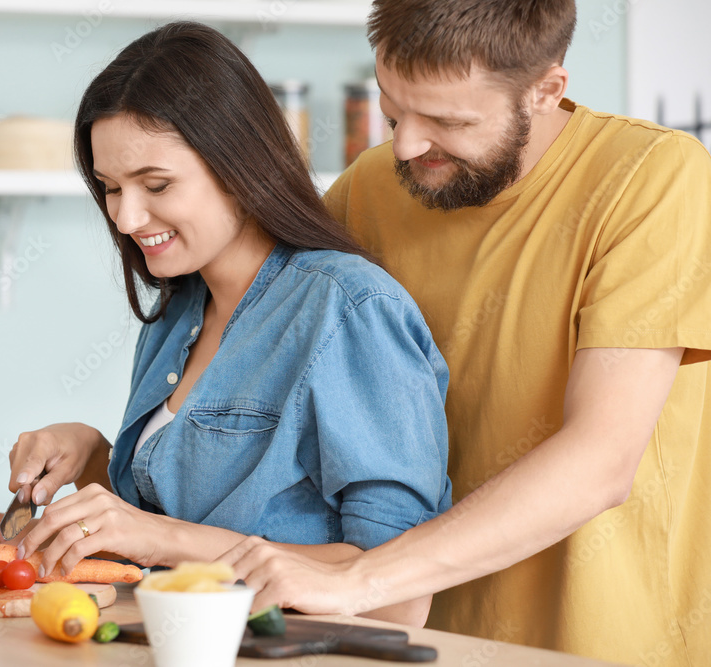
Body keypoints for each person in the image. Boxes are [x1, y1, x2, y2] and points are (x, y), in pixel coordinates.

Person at [221, 1, 711, 665]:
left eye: (447, 121)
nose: (405, 144)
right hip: (407, 637)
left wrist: (357, 579)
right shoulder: (370, 186)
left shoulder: (654, 178)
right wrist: (108, 457)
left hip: (598, 640)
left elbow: (601, 459)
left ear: (546, 90)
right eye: (393, 109)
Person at [0, 21, 452, 625]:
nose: (128, 217)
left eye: (156, 185)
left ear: (240, 166)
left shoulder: (350, 311)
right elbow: (154, 537)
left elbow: (397, 594)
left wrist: (159, 539)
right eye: (110, 187)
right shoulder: (178, 312)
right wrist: (85, 463)